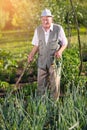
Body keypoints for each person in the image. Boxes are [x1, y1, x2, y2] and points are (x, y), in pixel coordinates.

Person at [28, 8, 68, 100]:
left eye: (47, 19)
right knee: (40, 84)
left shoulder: (58, 29)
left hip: (54, 61)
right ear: (41, 19)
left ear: (51, 19)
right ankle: (41, 105)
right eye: (43, 19)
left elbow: (65, 43)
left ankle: (54, 104)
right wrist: (31, 55)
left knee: (55, 84)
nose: (45, 21)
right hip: (42, 61)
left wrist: (60, 51)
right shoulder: (38, 30)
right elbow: (36, 45)